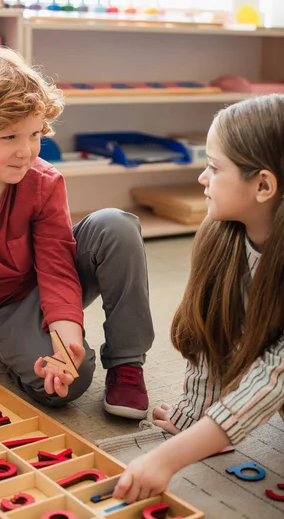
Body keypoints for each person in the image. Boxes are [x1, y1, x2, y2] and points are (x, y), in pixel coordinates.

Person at [0, 46, 154, 419]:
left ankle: (127, 363)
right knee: (70, 385)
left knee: (116, 225)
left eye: (35, 134)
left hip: (51, 281)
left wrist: (67, 338)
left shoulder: (42, 179)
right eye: (9, 138)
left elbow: (56, 262)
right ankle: (14, 349)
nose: (27, 150)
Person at [114, 95, 284, 502]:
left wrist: (168, 458)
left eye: (213, 167)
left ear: (263, 185)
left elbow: (276, 375)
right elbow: (213, 331)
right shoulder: (222, 233)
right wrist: (194, 418)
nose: (201, 179)